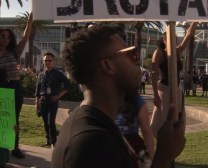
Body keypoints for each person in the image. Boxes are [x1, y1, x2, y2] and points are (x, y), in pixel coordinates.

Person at [52, 25, 186, 168]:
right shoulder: (93, 144)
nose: (136, 60)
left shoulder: (99, 127)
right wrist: (164, 157)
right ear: (107, 66)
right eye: (129, 54)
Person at [150, 22, 198, 136]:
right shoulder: (159, 53)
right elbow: (153, 73)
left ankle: (173, 140)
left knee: (177, 117)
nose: (174, 40)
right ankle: (158, 142)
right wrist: (155, 94)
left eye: (175, 38)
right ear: (163, 40)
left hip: (177, 89)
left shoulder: (177, 51)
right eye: (170, 38)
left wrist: (195, 21)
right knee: (161, 119)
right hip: (164, 89)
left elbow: (189, 35)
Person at [0, 12, 33, 159]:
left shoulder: (14, 52)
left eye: (8, 36)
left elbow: (25, 37)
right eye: (3, 36)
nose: (6, 38)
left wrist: (30, 21)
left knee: (14, 119)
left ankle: (15, 147)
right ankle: (2, 146)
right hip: (0, 87)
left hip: (14, 87)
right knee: (1, 118)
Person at [35, 52, 70, 148]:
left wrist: (58, 96)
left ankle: (55, 143)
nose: (47, 62)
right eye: (45, 60)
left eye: (49, 60)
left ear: (53, 62)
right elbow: (37, 92)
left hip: (52, 101)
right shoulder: (41, 75)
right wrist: (36, 105)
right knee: (45, 123)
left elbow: (67, 86)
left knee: (51, 122)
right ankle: (48, 141)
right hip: (42, 101)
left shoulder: (58, 74)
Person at [115, 92, 155, 167]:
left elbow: (147, 131)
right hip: (111, 145)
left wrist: (152, 158)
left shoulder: (136, 100)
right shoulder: (104, 97)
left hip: (132, 148)